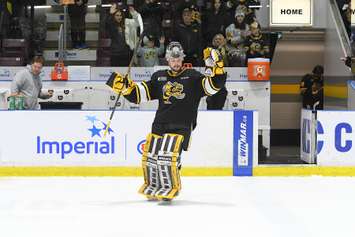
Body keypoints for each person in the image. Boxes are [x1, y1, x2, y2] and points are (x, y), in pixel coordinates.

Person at [106, 41, 226, 201]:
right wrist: (125, 88)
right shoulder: (159, 77)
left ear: (182, 59)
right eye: (172, 59)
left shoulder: (193, 77)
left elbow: (213, 87)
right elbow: (139, 94)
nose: (176, 62)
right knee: (151, 159)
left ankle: (170, 186)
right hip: (160, 124)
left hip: (182, 124)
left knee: (168, 158)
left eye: (178, 59)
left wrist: (217, 70)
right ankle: (154, 185)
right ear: (167, 59)